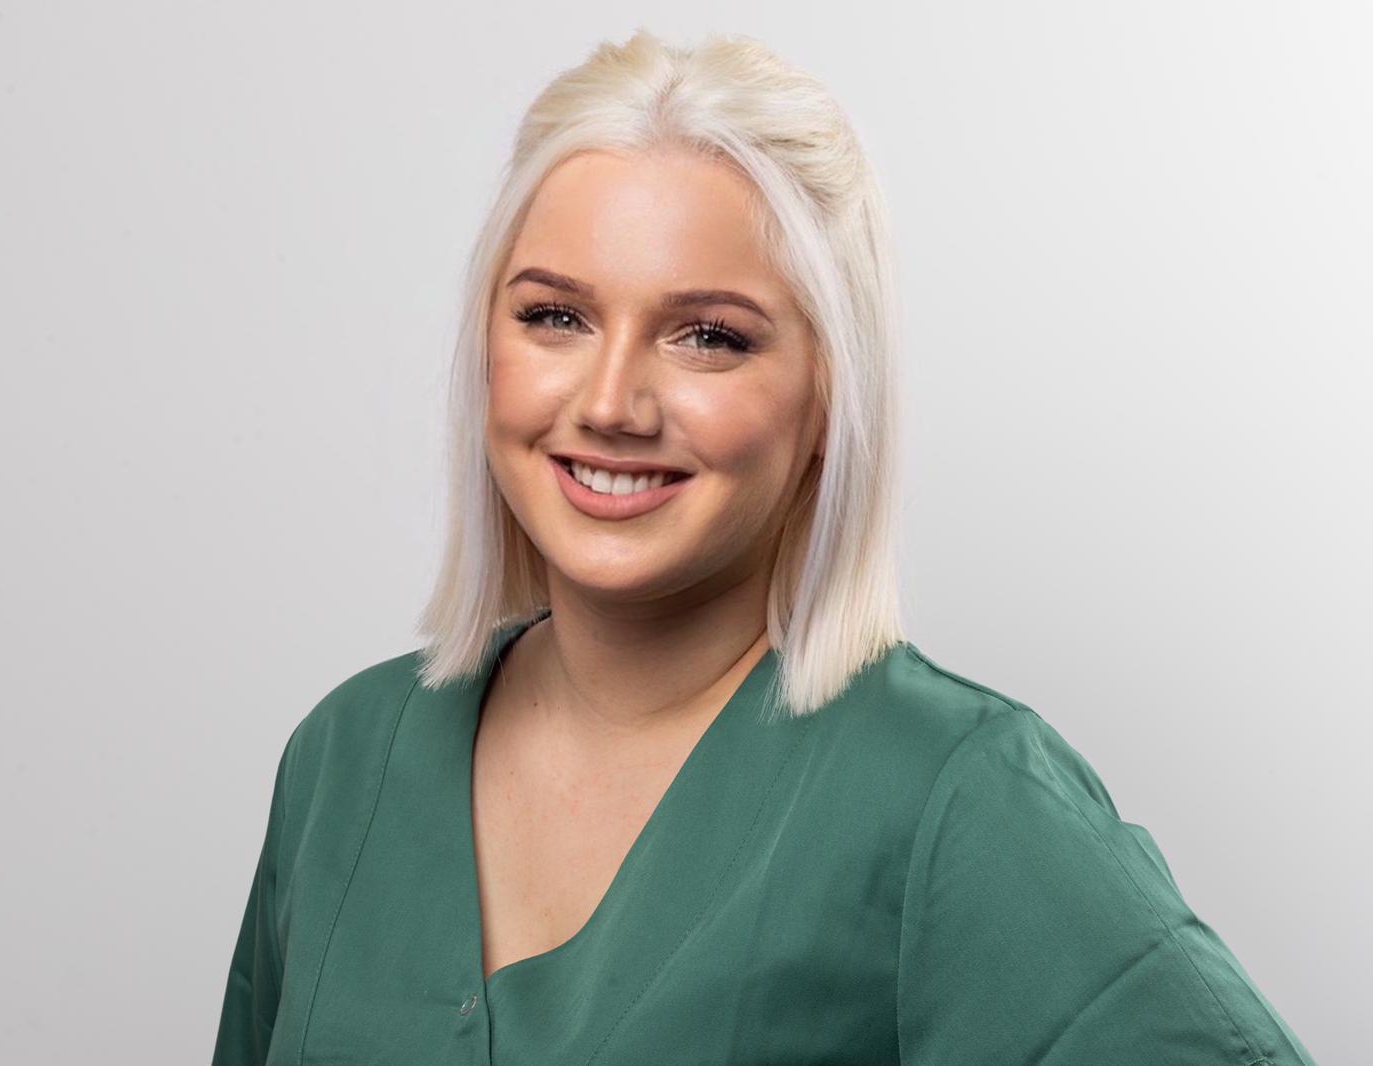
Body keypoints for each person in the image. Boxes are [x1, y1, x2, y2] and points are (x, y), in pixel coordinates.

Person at [211, 28, 1316, 1065]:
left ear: (830, 396)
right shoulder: (346, 760)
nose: (609, 402)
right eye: (555, 317)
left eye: (708, 337)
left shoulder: (954, 798)